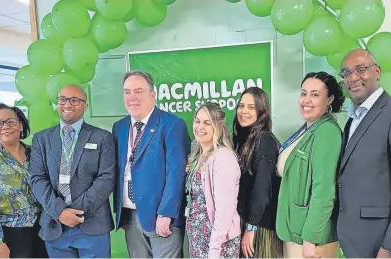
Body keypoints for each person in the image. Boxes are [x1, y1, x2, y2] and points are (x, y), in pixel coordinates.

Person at [337, 49, 391, 258]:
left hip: (382, 244)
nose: (353, 78)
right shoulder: (352, 120)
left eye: (360, 69)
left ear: (377, 71)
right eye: (346, 73)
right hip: (355, 242)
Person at [29, 84, 116, 258]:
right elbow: (37, 178)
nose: (67, 104)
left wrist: (74, 212)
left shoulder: (102, 137)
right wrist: (60, 212)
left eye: (74, 100)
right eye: (62, 99)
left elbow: (106, 179)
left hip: (92, 224)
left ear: (85, 105)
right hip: (55, 225)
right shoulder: (41, 139)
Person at [113, 71, 191, 258]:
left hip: (161, 216)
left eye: (138, 91)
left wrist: (166, 214)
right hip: (130, 215)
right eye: (127, 92)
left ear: (152, 95)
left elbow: (176, 173)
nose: (132, 97)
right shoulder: (119, 127)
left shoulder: (172, 124)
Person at [276, 72, 345, 258]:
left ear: (329, 99)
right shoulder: (308, 128)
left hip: (311, 240)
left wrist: (310, 240)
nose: (306, 100)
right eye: (303, 93)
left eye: (315, 95)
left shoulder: (327, 132)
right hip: (295, 232)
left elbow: (324, 190)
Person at [0, 104, 48, 258]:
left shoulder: (35, 153)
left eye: (10, 121)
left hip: (41, 229)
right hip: (8, 233)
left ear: (21, 124)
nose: (5, 126)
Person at [185, 102, 241, 258]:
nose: (200, 127)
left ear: (218, 127)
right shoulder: (197, 154)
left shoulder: (223, 158)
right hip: (199, 237)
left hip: (218, 242)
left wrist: (215, 249)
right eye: (197, 121)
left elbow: (225, 209)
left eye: (207, 123)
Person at [232, 87, 283, 258]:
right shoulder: (243, 140)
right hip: (246, 224)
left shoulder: (264, 140)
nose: (244, 111)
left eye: (251, 107)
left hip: (260, 229)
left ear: (262, 112)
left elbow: (262, 189)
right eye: (241, 106)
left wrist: (251, 228)